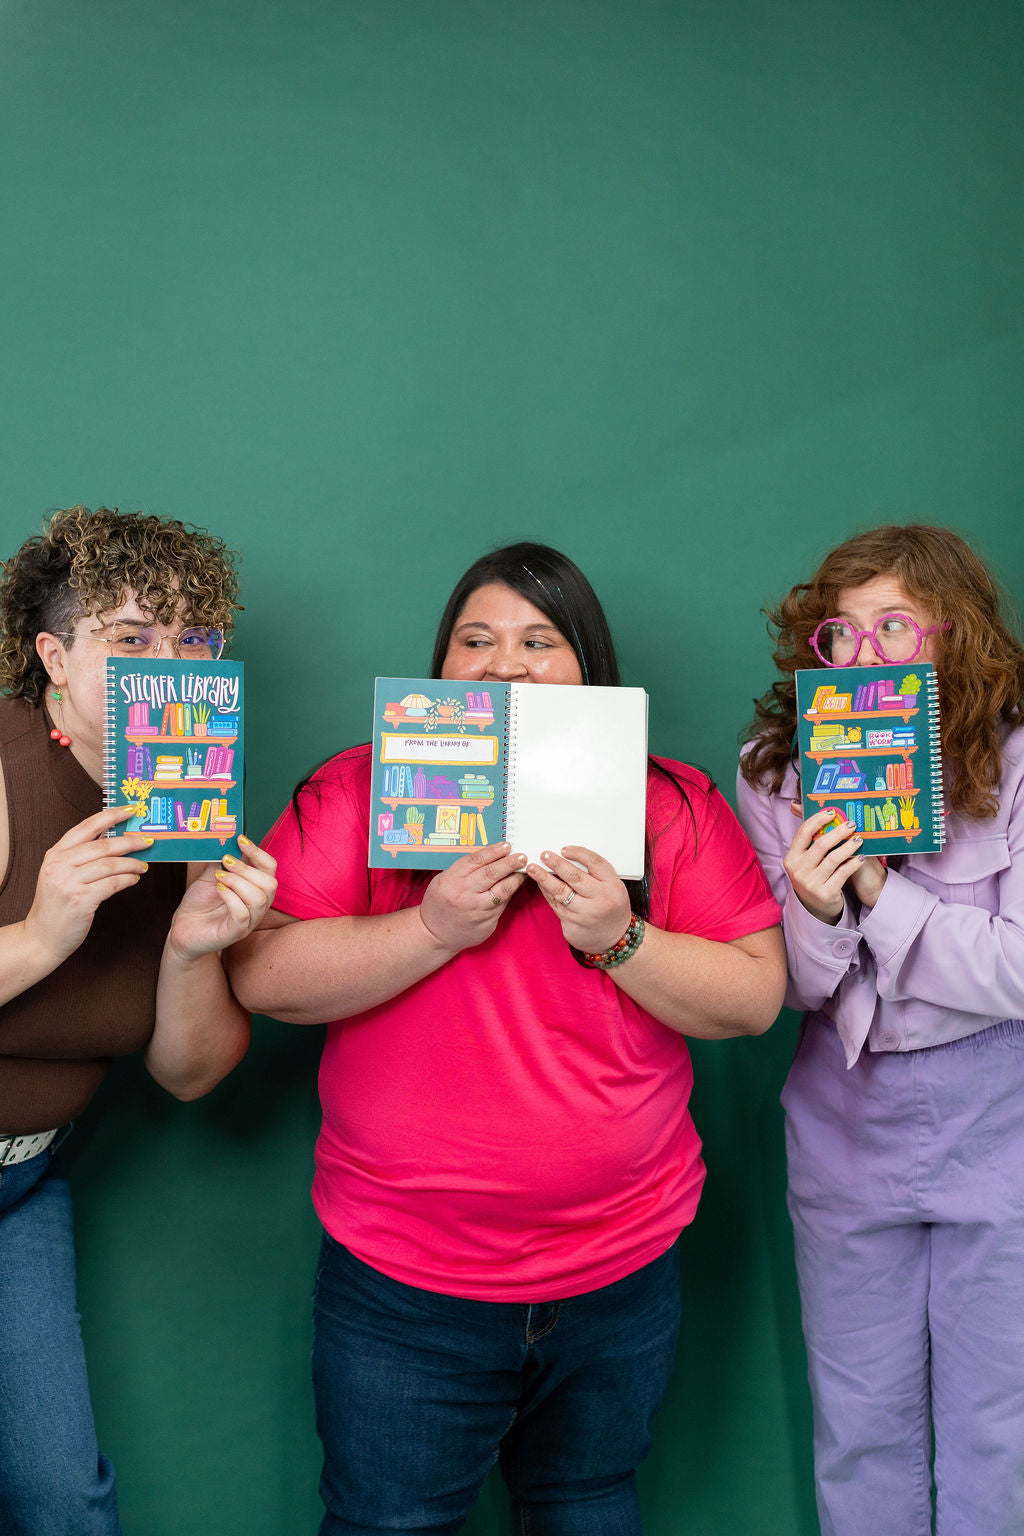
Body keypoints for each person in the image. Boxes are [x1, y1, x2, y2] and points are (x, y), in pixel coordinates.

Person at [226, 540, 785, 1536]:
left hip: (622, 1271)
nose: (504, 662)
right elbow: (261, 973)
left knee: (587, 1505)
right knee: (386, 1522)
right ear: (440, 669)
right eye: (474, 639)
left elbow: (750, 999)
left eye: (540, 640)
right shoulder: (356, 790)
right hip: (403, 1285)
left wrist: (618, 937)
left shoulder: (672, 803)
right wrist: (432, 926)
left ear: (587, 666)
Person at [735, 523, 1024, 1536]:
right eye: (840, 634)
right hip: (844, 1115)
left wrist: (872, 886)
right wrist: (814, 911)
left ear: (954, 637)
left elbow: (1018, 971)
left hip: (1004, 1114)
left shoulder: (1020, 761)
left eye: (894, 626)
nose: (864, 655)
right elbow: (796, 992)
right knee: (860, 1420)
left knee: (1001, 1419)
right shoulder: (775, 771)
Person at [0, 505, 277, 1536]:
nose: (169, 669)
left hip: (25, 1181)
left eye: (193, 644)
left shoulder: (188, 811)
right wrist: (39, 932)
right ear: (54, 658)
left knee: (62, 1499)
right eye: (130, 641)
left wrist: (192, 945)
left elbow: (190, 1073)